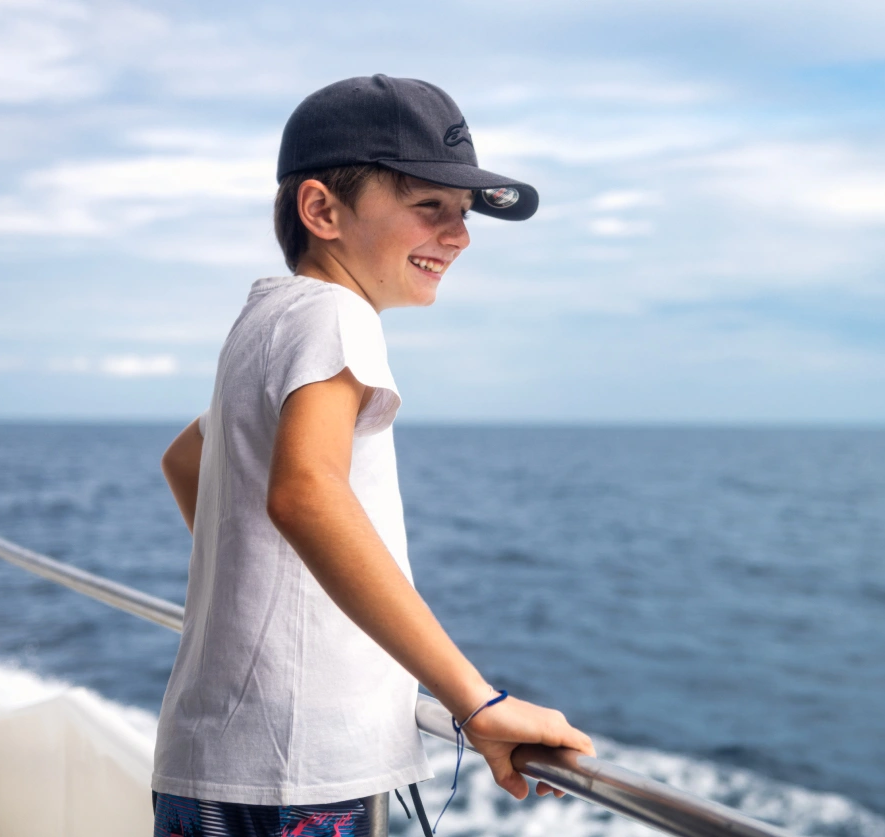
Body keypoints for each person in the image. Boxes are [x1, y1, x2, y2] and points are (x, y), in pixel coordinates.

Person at [152, 74, 594, 837]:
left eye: (463, 213)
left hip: (215, 752)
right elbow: (305, 494)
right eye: (430, 206)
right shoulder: (336, 315)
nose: (458, 236)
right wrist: (475, 700)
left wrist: (273, 594)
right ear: (322, 210)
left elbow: (187, 459)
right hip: (297, 766)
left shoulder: (266, 318)